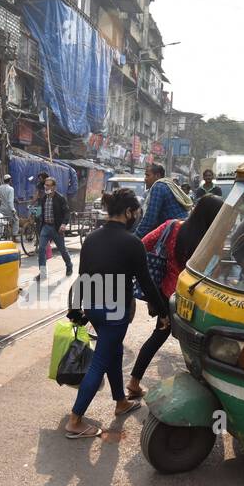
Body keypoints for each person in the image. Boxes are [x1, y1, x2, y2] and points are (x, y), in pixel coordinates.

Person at [64, 188, 166, 439]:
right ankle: (75, 420)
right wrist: (163, 312)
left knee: (114, 353)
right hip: (115, 311)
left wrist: (76, 309)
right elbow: (146, 282)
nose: (137, 218)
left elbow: (82, 278)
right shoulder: (133, 243)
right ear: (129, 212)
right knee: (101, 360)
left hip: (93, 309)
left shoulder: (91, 239)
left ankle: (120, 401)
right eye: (137, 213)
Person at [125, 194, 223, 399]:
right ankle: (206, 392)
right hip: (196, 301)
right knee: (202, 345)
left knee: (157, 337)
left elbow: (143, 244)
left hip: (166, 296)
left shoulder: (172, 227)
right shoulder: (210, 241)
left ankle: (134, 382)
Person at [136, 163, 192, 238]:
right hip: (181, 228)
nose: (145, 179)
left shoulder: (158, 186)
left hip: (176, 231)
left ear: (158, 176)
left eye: (147, 175)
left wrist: (135, 236)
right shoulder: (166, 184)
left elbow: (150, 219)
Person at [36, 173, 73, 278]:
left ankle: (69, 266)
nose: (46, 187)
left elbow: (66, 212)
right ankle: (42, 273)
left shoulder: (60, 198)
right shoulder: (44, 199)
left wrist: (63, 224)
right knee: (41, 249)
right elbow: (41, 212)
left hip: (57, 228)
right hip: (45, 228)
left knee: (62, 249)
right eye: (45, 185)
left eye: (48, 185)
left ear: (54, 187)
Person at [0, 173, 17, 241]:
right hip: (9, 209)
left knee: (1, 221)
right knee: (16, 220)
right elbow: (10, 201)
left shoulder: (0, 187)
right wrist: (13, 209)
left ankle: (0, 235)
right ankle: (14, 237)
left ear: (3, 180)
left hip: (1, 208)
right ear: (10, 180)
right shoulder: (11, 189)